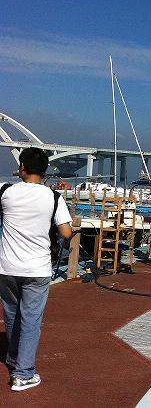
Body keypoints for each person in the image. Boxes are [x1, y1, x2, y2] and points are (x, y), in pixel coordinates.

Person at [0, 147, 73, 392]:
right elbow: (65, 232)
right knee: (31, 320)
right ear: (44, 171)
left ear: (22, 167)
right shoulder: (53, 198)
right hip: (37, 268)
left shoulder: (5, 191)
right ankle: (23, 373)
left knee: (11, 315)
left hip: (7, 266)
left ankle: (13, 359)